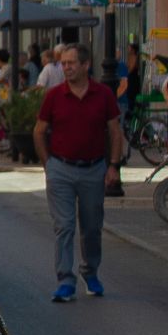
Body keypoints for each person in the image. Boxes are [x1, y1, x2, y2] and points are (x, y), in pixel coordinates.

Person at [33, 43, 121, 302]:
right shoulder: (54, 95)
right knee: (64, 226)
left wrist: (113, 165)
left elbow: (115, 131)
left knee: (92, 227)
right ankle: (65, 280)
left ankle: (90, 271)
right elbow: (39, 131)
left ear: (85, 65)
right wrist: (47, 164)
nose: (66, 67)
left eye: (71, 63)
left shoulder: (103, 94)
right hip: (60, 167)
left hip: (93, 169)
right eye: (64, 63)